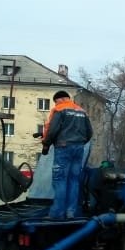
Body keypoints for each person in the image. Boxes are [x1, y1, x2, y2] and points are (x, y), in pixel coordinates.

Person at [40, 90, 93, 220]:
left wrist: (46, 144)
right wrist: (79, 143)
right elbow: (89, 132)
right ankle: (71, 212)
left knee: (60, 180)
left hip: (63, 148)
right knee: (74, 181)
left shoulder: (59, 109)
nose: (56, 104)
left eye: (56, 102)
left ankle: (57, 213)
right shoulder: (81, 111)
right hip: (79, 148)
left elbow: (52, 130)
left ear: (59, 99)